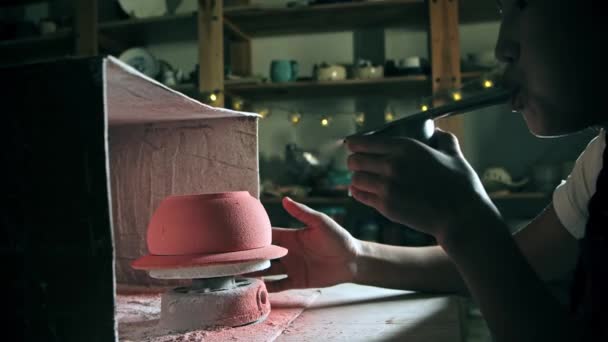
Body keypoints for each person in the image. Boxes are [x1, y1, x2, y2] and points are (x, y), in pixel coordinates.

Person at [256, 1, 604, 341]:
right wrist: (354, 259)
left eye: (523, 5)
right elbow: (512, 266)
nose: (502, 48)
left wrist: (465, 221)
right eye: (502, 11)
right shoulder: (599, 160)